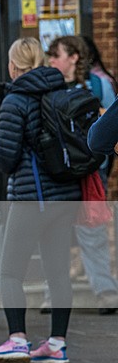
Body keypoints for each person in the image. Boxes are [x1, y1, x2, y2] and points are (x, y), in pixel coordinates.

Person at [0, 38, 80, 363]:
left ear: (13, 66)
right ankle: (56, 344)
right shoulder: (62, 92)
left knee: (9, 272)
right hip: (64, 197)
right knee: (58, 273)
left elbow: (6, 158)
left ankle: (17, 339)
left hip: (29, 197)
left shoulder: (15, 100)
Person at [47, 36, 118, 315]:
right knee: (55, 234)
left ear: (74, 57)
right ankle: (53, 297)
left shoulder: (99, 85)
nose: (52, 60)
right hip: (60, 172)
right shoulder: (50, 86)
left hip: (91, 170)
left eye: (57, 55)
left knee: (92, 232)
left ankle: (106, 292)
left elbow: (109, 129)